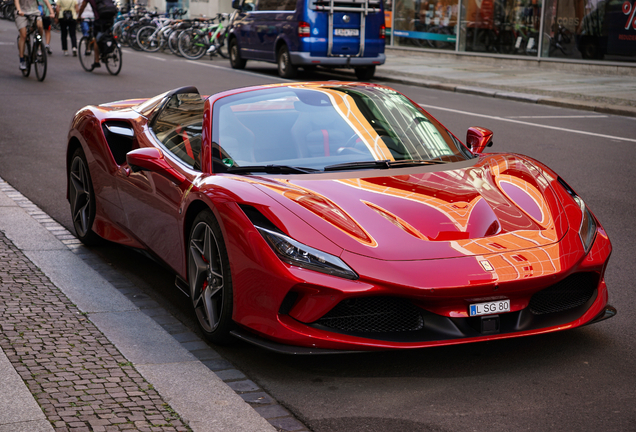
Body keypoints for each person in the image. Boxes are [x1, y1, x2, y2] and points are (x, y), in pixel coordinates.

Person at [14, 0, 55, 70]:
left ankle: (39, 45)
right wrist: (19, 10)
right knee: (23, 35)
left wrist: (52, 12)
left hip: (34, 12)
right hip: (21, 12)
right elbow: (16, 1)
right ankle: (22, 60)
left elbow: (46, 1)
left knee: (40, 28)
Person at [77, 0, 115, 69]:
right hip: (110, 16)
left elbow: (82, 6)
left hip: (99, 19)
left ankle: (97, 61)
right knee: (109, 34)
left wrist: (79, 16)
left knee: (96, 39)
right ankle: (113, 48)